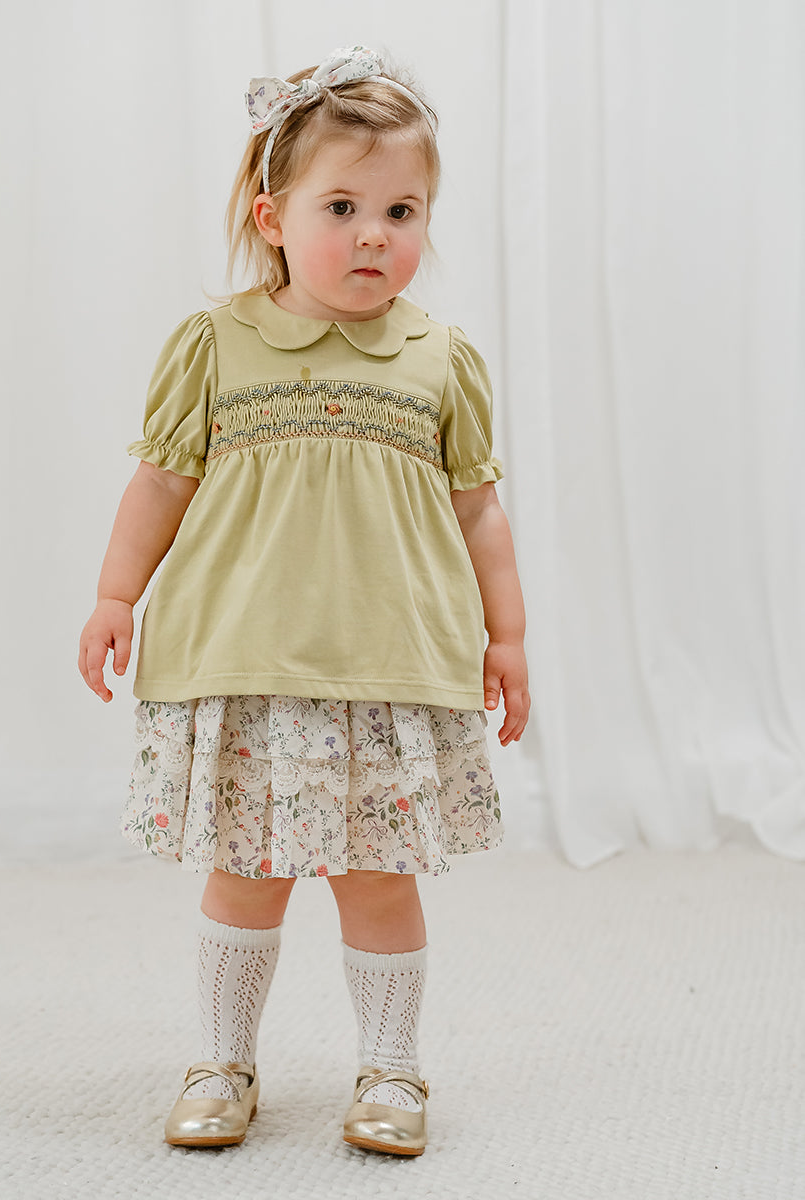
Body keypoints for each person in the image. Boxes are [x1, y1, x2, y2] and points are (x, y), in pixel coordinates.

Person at [78, 45, 530, 1158]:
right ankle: (222, 1060)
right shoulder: (216, 345)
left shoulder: (439, 358)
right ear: (273, 217)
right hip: (248, 660)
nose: (376, 234)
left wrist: (508, 635)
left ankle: (392, 1066)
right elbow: (161, 484)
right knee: (247, 876)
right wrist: (115, 595)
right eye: (344, 207)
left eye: (401, 211)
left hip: (389, 669)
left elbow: (479, 512)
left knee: (378, 878)